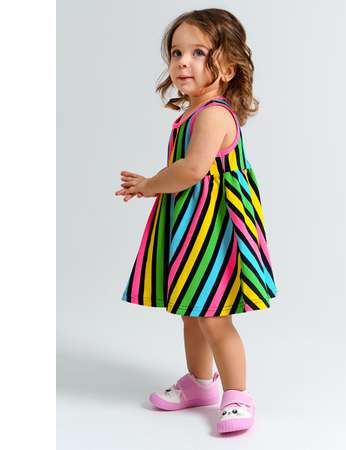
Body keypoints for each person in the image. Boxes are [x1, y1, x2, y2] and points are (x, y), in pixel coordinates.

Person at [115, 8, 278, 435]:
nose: (183, 61)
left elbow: (192, 170)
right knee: (192, 309)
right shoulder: (192, 112)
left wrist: (150, 185)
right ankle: (201, 383)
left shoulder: (214, 114)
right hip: (193, 223)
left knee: (214, 316)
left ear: (228, 67)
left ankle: (237, 395)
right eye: (176, 52)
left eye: (198, 52)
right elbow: (188, 172)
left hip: (216, 229)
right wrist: (155, 184)